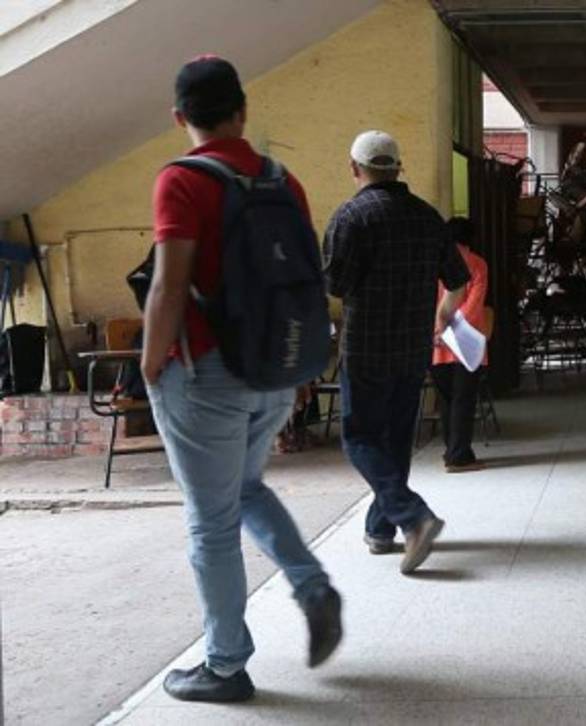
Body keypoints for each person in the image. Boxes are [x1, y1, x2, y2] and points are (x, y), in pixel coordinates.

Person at [141, 55, 342, 704]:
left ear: (179, 118)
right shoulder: (283, 180)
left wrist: (149, 367)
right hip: (276, 370)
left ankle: (225, 665)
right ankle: (312, 586)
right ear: (242, 110)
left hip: (206, 379)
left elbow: (171, 284)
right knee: (247, 489)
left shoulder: (181, 181)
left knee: (210, 523)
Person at [323, 130, 470, 574]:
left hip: (366, 349)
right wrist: (442, 317)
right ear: (398, 168)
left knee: (360, 438)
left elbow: (335, 284)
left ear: (355, 168)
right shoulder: (428, 218)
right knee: (394, 439)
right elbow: (458, 281)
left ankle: (414, 516)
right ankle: (381, 529)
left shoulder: (351, 217)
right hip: (411, 350)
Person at [432, 217, 489, 473]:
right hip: (466, 344)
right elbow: (473, 306)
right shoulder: (477, 264)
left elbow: (431, 301)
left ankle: (450, 450)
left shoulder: (435, 262)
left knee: (446, 400)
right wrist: (454, 327)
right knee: (464, 401)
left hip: (437, 345)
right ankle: (460, 455)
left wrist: (437, 330)